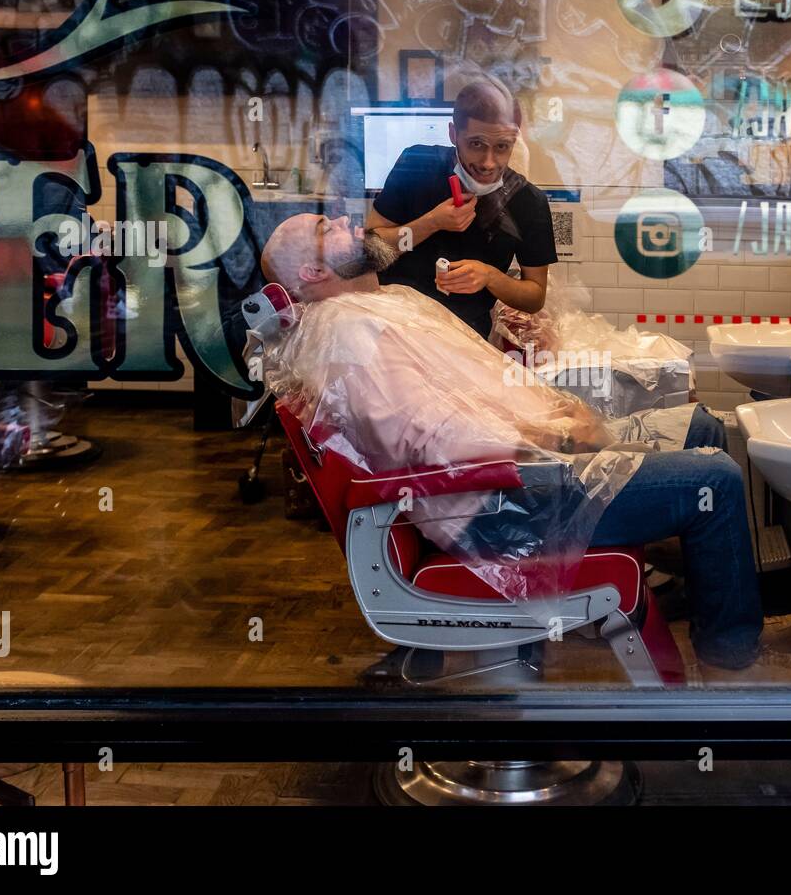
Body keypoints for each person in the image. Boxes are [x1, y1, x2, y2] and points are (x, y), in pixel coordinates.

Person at [260, 213, 763, 671]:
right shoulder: (347, 330)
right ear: (312, 272)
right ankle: (731, 664)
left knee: (700, 427)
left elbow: (478, 390)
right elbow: (431, 435)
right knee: (715, 479)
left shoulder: (380, 305)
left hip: (527, 465)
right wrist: (560, 431)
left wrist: (557, 407)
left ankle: (704, 595)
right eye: (330, 228)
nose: (349, 219)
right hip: (502, 504)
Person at [365, 76, 557, 340]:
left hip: (464, 343)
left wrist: (490, 276)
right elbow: (370, 248)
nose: (489, 163)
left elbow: (535, 295)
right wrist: (431, 223)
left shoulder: (528, 202)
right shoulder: (418, 164)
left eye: (502, 147)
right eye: (476, 144)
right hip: (393, 328)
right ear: (453, 134)